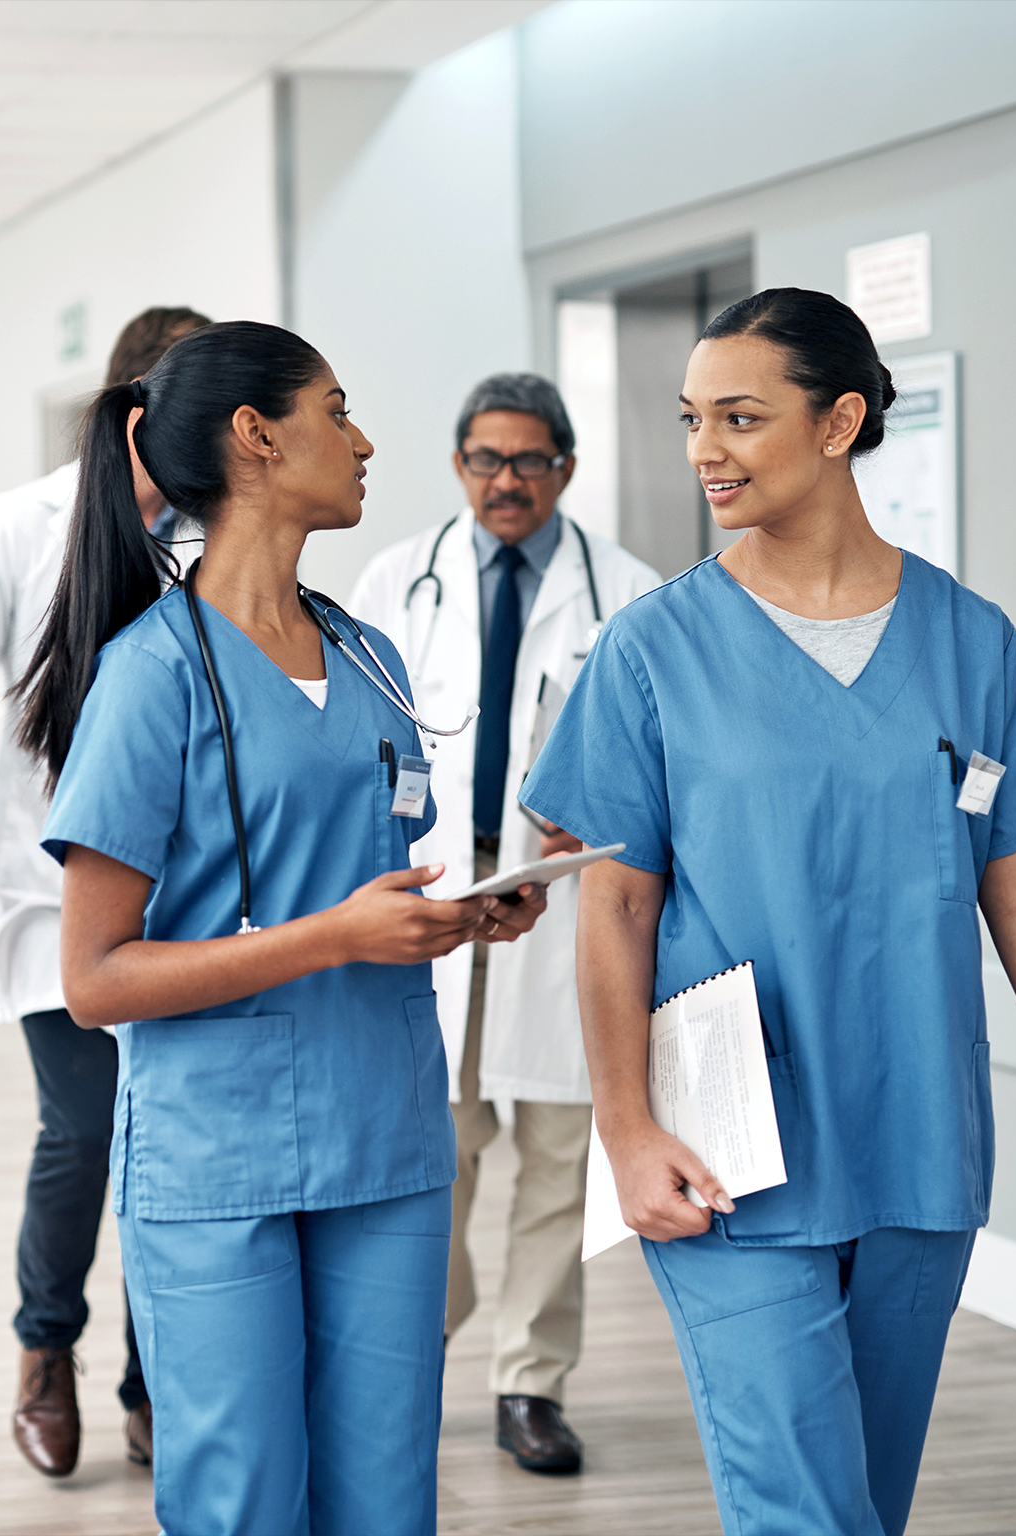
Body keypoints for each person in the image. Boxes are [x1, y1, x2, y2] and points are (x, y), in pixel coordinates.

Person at [521, 286, 1016, 1536]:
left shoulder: (970, 641)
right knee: (804, 1514)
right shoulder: (654, 651)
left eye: (741, 418)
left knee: (865, 1504)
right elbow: (613, 912)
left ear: (839, 420)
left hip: (919, 1141)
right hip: (728, 1163)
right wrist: (625, 1129)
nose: (705, 449)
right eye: (693, 417)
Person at [16, 320, 549, 1536]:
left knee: (382, 1497)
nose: (364, 441)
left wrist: (465, 911)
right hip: (221, 1157)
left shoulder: (366, 654)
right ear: (257, 437)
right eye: (337, 409)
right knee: (245, 1499)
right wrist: (335, 937)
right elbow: (93, 981)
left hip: (388, 1136)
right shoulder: (152, 679)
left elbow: (366, 882)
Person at [0, 304, 210, 1478]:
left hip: (187, 896)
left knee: (170, 1141)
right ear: (133, 406)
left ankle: (153, 1377)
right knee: (84, 1131)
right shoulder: (18, 524)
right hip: (45, 893)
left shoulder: (220, 528)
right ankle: (47, 1350)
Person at [349, 373, 661, 1473]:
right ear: (457, 466)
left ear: (566, 469)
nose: (506, 481)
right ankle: (421, 1339)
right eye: (485, 459)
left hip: (564, 894)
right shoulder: (400, 579)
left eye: (529, 461)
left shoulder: (627, 591)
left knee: (558, 1153)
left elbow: (650, 759)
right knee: (438, 1144)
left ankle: (531, 1382)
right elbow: (362, 741)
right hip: (439, 887)